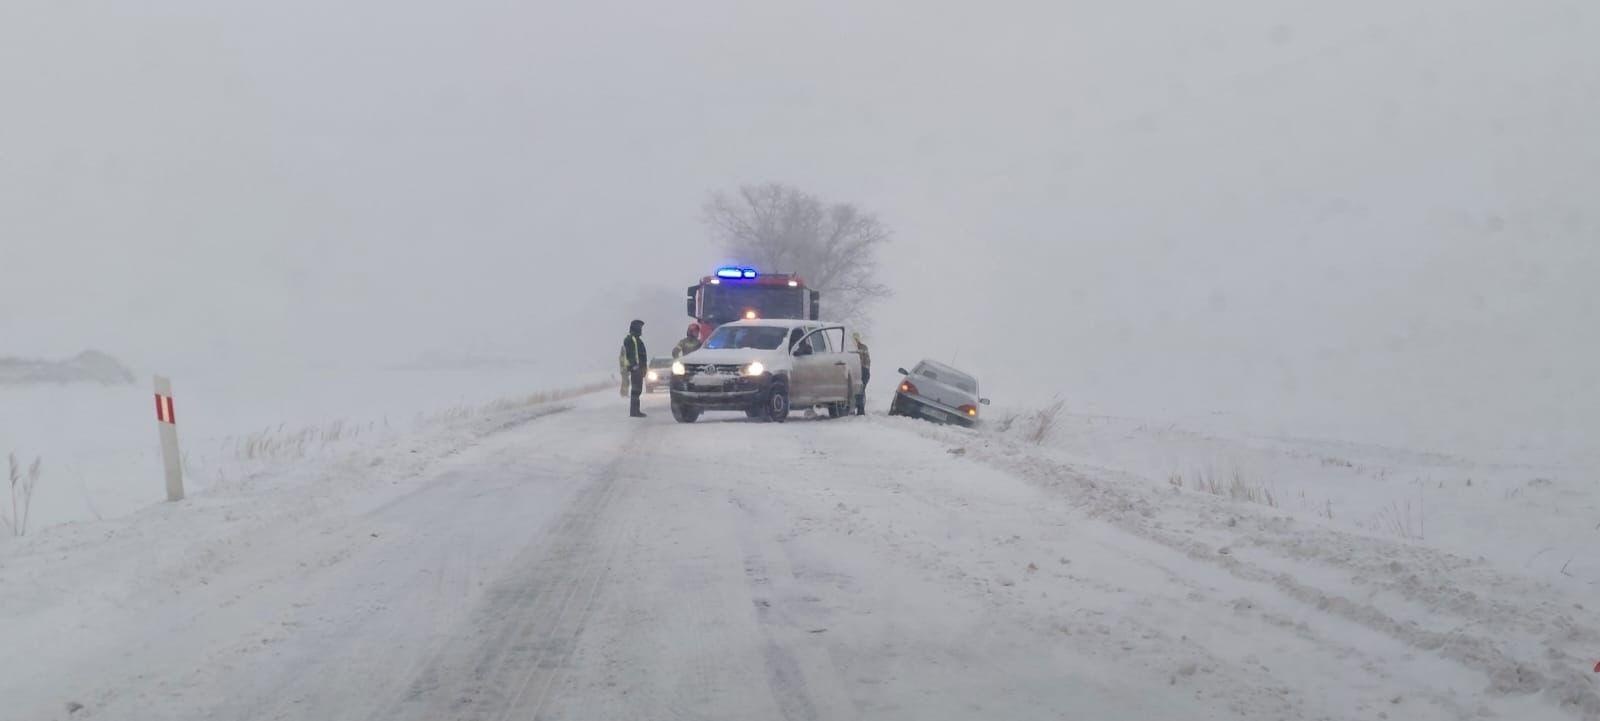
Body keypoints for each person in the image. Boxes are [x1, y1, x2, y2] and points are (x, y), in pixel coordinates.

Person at [621, 319, 648, 418]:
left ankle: (636, 410)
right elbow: (630, 355)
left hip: (639, 369)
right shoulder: (630, 340)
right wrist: (633, 366)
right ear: (635, 328)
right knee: (636, 390)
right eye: (640, 327)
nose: (641, 330)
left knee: (638, 390)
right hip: (635, 368)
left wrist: (644, 367)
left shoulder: (637, 340)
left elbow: (642, 355)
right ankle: (634, 412)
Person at [852, 331, 871, 415]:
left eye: (856, 339)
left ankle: (860, 410)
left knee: (860, 390)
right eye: (854, 339)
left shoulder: (862, 348)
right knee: (857, 391)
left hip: (863, 371)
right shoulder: (851, 348)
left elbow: (866, 360)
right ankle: (855, 408)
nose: (855, 340)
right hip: (857, 371)